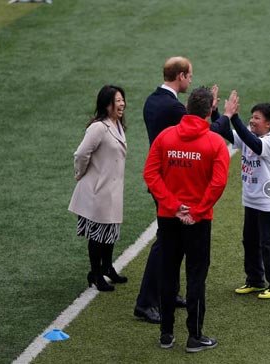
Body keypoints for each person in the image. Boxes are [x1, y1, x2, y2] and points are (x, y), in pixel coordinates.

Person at [143, 86, 230, 352]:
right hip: (198, 222)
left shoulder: (166, 137)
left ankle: (166, 335)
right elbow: (218, 184)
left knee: (168, 274)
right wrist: (197, 211)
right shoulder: (215, 143)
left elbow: (150, 174)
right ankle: (194, 337)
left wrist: (172, 205)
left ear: (188, 107)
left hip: (168, 218)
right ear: (208, 112)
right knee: (196, 277)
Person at [134, 56, 193, 323]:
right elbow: (196, 134)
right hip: (170, 184)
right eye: (189, 75)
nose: (190, 79)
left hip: (160, 180)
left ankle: (168, 292)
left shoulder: (152, 100)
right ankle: (146, 302)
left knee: (174, 239)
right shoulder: (174, 109)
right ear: (180, 76)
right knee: (166, 241)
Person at [213, 89, 270, 299]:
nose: (252, 121)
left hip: (268, 201)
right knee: (250, 241)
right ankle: (255, 280)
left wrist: (234, 116)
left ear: (268, 124)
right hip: (251, 200)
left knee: (268, 243)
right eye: (251, 116)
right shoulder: (250, 135)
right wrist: (218, 113)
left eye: (256, 118)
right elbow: (226, 133)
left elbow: (252, 143)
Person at [68, 85, 128, 292]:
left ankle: (108, 268)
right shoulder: (99, 127)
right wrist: (80, 173)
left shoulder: (117, 124)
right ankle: (95, 274)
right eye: (117, 100)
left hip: (110, 190)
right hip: (97, 190)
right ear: (107, 104)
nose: (121, 104)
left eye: (122, 100)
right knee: (97, 234)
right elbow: (81, 153)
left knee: (109, 231)